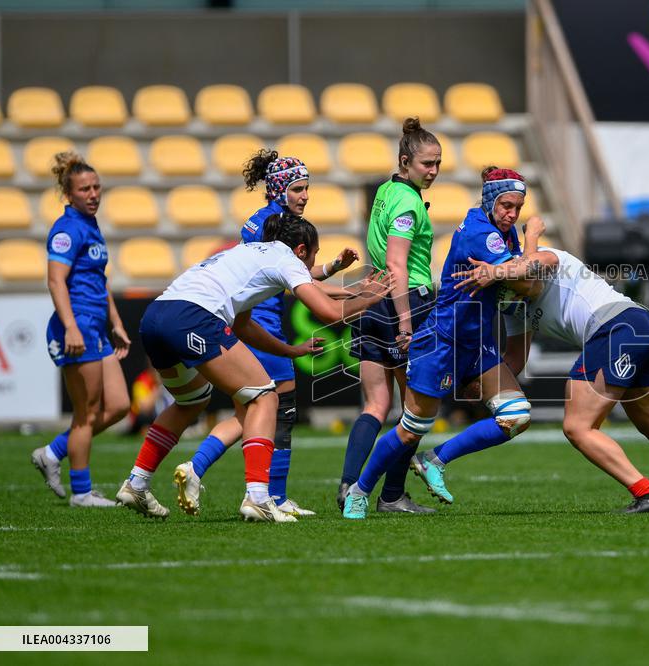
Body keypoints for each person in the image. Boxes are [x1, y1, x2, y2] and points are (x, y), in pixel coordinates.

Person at [451, 217, 649, 512]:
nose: (517, 287)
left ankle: (648, 494)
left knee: (577, 427)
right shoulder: (515, 308)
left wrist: (529, 236)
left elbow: (530, 267)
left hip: (617, 327)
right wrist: (486, 386)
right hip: (639, 326)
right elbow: (514, 360)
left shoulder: (544, 259)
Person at [115, 214, 392, 522]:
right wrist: (368, 298)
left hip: (156, 315)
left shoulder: (249, 252)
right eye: (313, 255)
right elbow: (328, 312)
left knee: (191, 401)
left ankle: (137, 483)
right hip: (192, 317)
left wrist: (290, 350)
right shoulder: (286, 259)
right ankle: (258, 497)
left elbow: (244, 326)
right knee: (264, 397)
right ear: (301, 250)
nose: (312, 264)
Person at [172, 151, 357, 518]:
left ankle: (196, 468)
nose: (305, 196)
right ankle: (270, 494)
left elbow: (296, 275)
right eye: (299, 189)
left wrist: (336, 269)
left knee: (248, 415)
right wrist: (357, 293)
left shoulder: (267, 221)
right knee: (281, 411)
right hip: (262, 325)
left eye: (307, 189)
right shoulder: (274, 225)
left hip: (254, 321)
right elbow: (291, 282)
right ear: (279, 190)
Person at [341, 166, 532, 520]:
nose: (513, 214)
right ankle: (360, 490)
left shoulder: (500, 232)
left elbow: (519, 272)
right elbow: (528, 282)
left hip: (477, 344)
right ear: (491, 200)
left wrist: (514, 265)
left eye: (518, 208)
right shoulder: (482, 235)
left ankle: (435, 459)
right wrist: (533, 238)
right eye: (506, 205)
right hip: (443, 343)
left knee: (516, 416)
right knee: (411, 428)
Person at [337, 117, 442, 515]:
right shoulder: (408, 201)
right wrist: (405, 321)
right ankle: (392, 495)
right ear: (405, 161)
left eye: (437, 163)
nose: (432, 171)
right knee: (414, 408)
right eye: (426, 164)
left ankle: (349, 483)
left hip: (372, 296)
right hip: (405, 302)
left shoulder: (386, 189)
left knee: (375, 404)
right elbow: (399, 264)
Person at [30, 152, 131, 507]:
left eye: (96, 187)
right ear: (68, 195)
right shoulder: (67, 228)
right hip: (76, 328)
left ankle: (52, 452)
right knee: (85, 413)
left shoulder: (91, 225)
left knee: (119, 405)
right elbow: (56, 281)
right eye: (84, 189)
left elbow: (98, 281)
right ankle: (82, 491)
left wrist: (116, 322)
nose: (93, 194)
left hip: (96, 328)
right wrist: (71, 327)